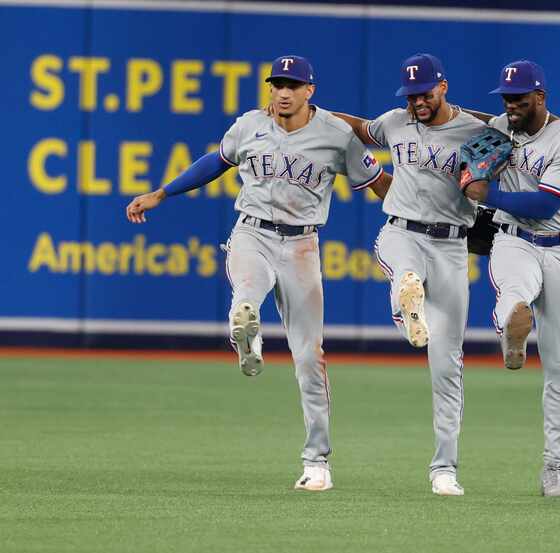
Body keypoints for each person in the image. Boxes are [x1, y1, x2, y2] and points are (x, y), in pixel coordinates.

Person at [125, 54, 390, 492]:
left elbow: (376, 181)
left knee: (309, 357)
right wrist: (162, 192)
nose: (282, 92)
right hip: (252, 232)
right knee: (246, 294)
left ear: (310, 91)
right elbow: (216, 161)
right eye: (276, 84)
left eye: (292, 85)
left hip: (303, 244)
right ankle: (245, 327)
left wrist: (420, 205)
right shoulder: (249, 125)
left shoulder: (336, 135)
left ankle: (317, 461)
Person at [335, 53, 486, 496]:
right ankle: (409, 297)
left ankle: (445, 469)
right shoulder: (395, 121)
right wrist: (313, 113)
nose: (416, 101)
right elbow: (360, 128)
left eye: (423, 93)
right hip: (401, 230)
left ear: (442, 87)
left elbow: (520, 142)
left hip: (453, 246)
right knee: (404, 271)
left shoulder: (476, 131)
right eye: (410, 94)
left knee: (447, 363)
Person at [461, 60, 560, 498]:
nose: (511, 105)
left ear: (541, 97)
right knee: (515, 294)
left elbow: (544, 206)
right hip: (514, 240)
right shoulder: (499, 126)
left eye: (519, 98)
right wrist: (470, 189)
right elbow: (466, 160)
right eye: (506, 98)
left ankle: (554, 468)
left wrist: (488, 194)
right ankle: (512, 330)